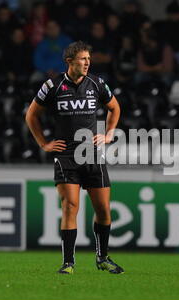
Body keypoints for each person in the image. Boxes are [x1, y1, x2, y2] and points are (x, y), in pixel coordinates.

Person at [25, 41, 124, 275]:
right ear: (69, 61)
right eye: (82, 59)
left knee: (103, 210)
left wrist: (109, 133)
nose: (87, 63)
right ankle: (68, 263)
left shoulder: (97, 84)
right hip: (66, 155)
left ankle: (103, 258)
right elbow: (31, 115)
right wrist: (43, 143)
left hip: (91, 153)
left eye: (89, 59)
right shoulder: (53, 85)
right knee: (70, 206)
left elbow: (115, 108)